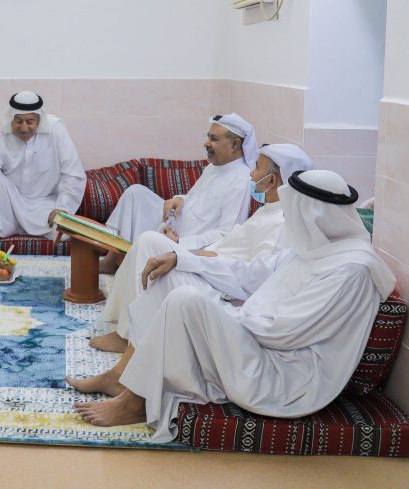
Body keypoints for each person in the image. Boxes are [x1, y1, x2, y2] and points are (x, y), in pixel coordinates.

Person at [68, 170, 396, 442]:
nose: (288, 217)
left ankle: (135, 402)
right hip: (256, 338)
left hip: (284, 374)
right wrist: (181, 259)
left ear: (314, 215)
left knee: (186, 301)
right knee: (172, 276)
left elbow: (284, 333)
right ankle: (124, 377)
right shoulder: (313, 249)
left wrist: (226, 316)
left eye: (293, 209)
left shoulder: (351, 269)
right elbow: (248, 274)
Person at [90, 143, 312, 353]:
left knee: (151, 242)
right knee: (148, 239)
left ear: (271, 180)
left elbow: (259, 280)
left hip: (222, 289)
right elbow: (233, 241)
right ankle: (125, 326)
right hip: (209, 265)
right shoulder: (268, 208)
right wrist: (201, 252)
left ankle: (130, 337)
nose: (252, 174)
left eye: (257, 168)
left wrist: (204, 259)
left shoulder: (282, 220)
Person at [98, 113, 255, 273]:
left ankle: (124, 262)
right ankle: (112, 259)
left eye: (214, 139)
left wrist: (181, 242)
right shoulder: (213, 167)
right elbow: (194, 197)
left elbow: (226, 234)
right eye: (208, 137)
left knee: (148, 236)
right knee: (135, 193)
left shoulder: (241, 180)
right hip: (172, 222)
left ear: (235, 144)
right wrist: (179, 199)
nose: (206, 143)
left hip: (186, 243)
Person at [0, 91, 86, 249]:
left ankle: (10, 229)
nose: (24, 128)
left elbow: (73, 173)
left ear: (39, 120)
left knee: (64, 234)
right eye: (19, 121)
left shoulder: (55, 130)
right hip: (10, 204)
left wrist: (62, 209)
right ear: (11, 118)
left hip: (44, 205)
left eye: (30, 121)